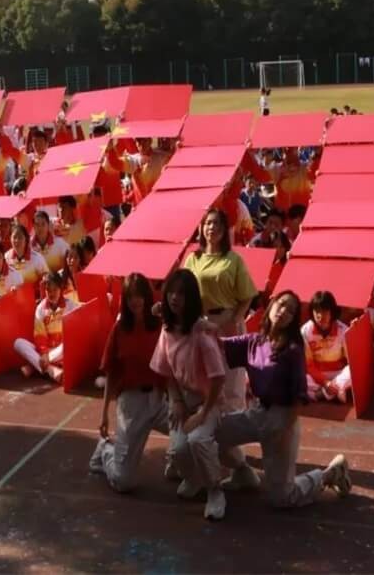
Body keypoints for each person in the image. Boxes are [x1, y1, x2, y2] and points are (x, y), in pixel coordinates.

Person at [213, 291, 352, 510]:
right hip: (256, 412)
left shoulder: (293, 350)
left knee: (281, 498)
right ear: (271, 306)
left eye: (291, 311)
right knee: (212, 434)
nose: (284, 311)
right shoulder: (254, 341)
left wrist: (283, 427)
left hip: (283, 418)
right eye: (282, 304)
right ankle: (242, 473)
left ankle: (327, 475)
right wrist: (192, 324)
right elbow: (217, 343)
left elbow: (299, 397)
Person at [148, 268, 229, 520]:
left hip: (209, 400)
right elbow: (166, 369)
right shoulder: (167, 330)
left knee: (197, 440)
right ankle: (195, 480)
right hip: (184, 398)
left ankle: (215, 490)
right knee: (179, 451)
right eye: (171, 292)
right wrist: (175, 400)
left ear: (191, 298)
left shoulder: (202, 334)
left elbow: (218, 378)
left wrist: (203, 413)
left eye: (181, 294)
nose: (174, 298)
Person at [89, 273, 169, 492]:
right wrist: (104, 412)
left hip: (159, 401)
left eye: (140, 295)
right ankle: (105, 450)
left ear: (147, 296)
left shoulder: (161, 326)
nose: (136, 301)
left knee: (189, 435)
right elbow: (111, 373)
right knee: (124, 482)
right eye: (131, 296)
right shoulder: (120, 329)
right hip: (131, 405)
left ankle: (181, 465)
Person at [182, 209, 258, 413]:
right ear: (201, 228)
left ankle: (232, 426)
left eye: (216, 224)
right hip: (202, 323)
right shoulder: (192, 259)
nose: (212, 228)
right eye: (208, 223)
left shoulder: (233, 260)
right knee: (204, 374)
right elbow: (183, 291)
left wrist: (236, 318)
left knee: (231, 378)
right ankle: (205, 421)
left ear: (224, 230)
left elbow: (248, 294)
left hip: (228, 320)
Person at [14, 273, 78, 383]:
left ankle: (34, 366)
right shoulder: (40, 308)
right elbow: (40, 335)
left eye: (55, 290)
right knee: (18, 343)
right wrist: (44, 353)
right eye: (48, 290)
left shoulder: (71, 305)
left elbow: (75, 333)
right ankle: (51, 370)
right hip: (45, 352)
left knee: (69, 343)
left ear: (61, 289)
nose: (51, 293)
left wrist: (47, 357)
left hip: (61, 351)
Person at [302, 291, 351, 403]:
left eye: (324, 311)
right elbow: (308, 365)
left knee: (352, 371)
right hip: (316, 376)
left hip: (338, 374)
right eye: (317, 311)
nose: (320, 316)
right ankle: (335, 391)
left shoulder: (343, 330)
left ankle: (323, 394)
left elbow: (350, 362)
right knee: (298, 378)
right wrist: (325, 382)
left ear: (332, 312)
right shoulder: (305, 331)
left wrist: (332, 382)